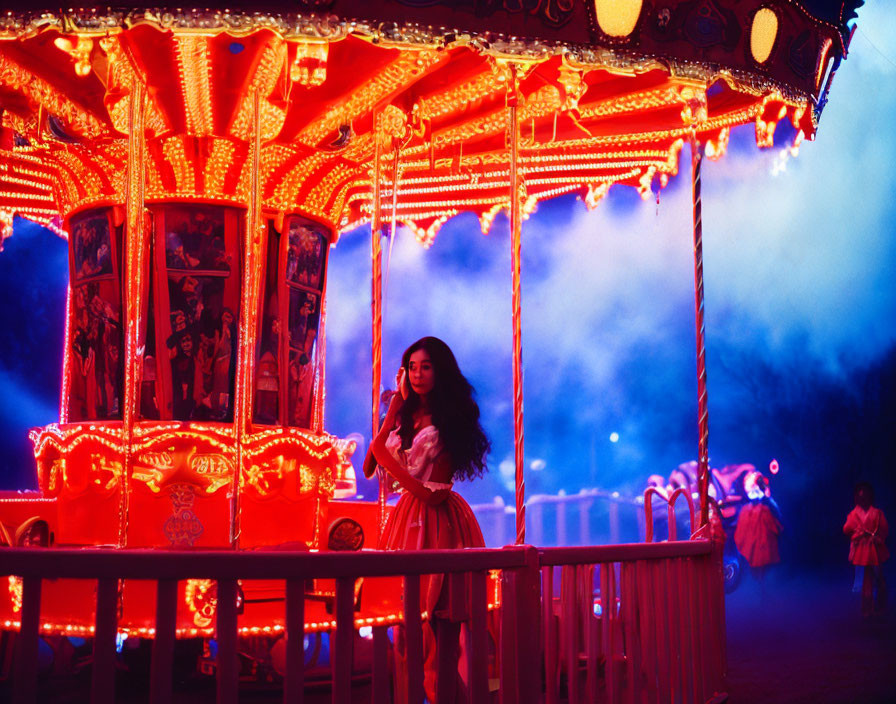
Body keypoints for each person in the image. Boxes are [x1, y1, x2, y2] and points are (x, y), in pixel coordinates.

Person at [363, 336, 490, 703]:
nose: (418, 374)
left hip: (438, 522)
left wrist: (394, 469)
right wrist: (393, 410)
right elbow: (371, 464)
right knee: (407, 634)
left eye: (426, 366)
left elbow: (436, 493)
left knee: (440, 636)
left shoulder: (450, 418)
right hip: (407, 521)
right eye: (412, 367)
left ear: (440, 370)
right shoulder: (405, 416)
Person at [844, 482, 888, 619]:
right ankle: (867, 608)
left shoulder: (877, 513)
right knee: (866, 580)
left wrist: (878, 538)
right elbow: (846, 529)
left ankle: (879, 605)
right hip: (863, 550)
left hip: (874, 549)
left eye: (865, 496)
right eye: (860, 497)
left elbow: (884, 529)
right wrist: (857, 533)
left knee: (878, 577)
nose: (863, 499)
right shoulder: (854, 514)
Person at [734, 471, 782, 587]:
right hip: (753, 550)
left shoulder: (766, 507)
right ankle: (760, 590)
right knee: (757, 574)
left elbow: (777, 525)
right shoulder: (746, 510)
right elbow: (741, 534)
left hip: (763, 548)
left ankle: (765, 591)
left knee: (764, 573)